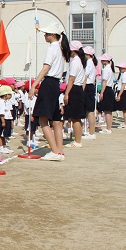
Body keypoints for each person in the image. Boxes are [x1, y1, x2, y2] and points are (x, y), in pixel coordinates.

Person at [28, 22, 69, 160]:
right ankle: (59, 151)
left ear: (53, 35)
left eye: (47, 33)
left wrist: (34, 85)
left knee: (43, 119)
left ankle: (55, 151)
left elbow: (46, 68)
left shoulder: (52, 48)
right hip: (56, 84)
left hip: (49, 82)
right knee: (56, 120)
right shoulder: (61, 48)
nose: (44, 35)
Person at [63, 40, 87, 148]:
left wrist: (66, 93)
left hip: (75, 89)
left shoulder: (75, 62)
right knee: (76, 117)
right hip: (78, 89)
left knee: (75, 117)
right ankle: (77, 139)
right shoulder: (79, 61)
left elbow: (71, 79)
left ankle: (78, 141)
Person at [98, 55, 116, 133]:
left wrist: (102, 92)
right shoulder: (110, 69)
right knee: (109, 111)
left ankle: (108, 128)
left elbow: (104, 82)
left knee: (107, 110)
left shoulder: (106, 69)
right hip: (109, 89)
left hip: (107, 89)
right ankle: (109, 127)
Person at [82, 47, 98, 139]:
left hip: (88, 86)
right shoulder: (92, 63)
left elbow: (85, 77)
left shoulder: (89, 62)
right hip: (90, 86)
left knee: (89, 111)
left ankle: (92, 133)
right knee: (89, 111)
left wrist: (82, 89)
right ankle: (91, 132)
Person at [116, 62, 126, 127]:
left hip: (124, 92)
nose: (119, 69)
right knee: (125, 109)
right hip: (125, 91)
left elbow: (123, 85)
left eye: (120, 68)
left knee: (125, 109)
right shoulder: (124, 74)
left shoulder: (125, 75)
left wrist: (119, 95)